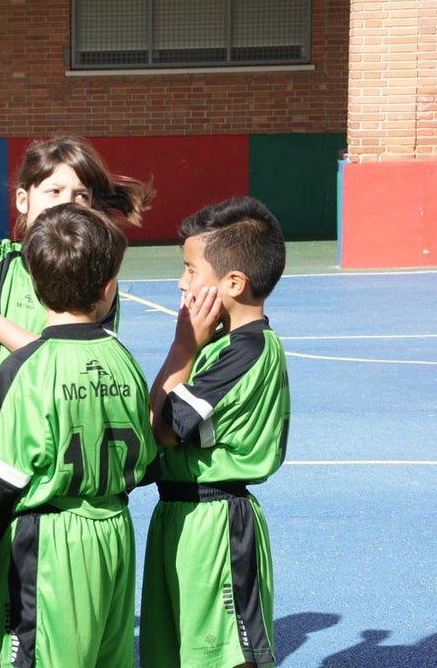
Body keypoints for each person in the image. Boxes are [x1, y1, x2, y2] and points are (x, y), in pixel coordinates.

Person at [0, 135, 154, 662]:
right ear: (23, 200)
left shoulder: (93, 277)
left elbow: (62, 357)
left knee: (13, 586)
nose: (69, 203)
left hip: (33, 464)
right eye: (54, 191)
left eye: (82, 196)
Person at [0, 203, 156, 667]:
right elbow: (143, 462)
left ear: (34, 287)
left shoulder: (28, 369)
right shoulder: (125, 359)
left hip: (49, 541)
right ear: (108, 288)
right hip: (115, 531)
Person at [140, 196, 291, 668]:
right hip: (179, 515)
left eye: (189, 270)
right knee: (176, 651)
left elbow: (163, 429)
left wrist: (182, 346)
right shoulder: (223, 346)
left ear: (233, 283)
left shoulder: (245, 351)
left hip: (218, 522)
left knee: (225, 655)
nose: (181, 282)